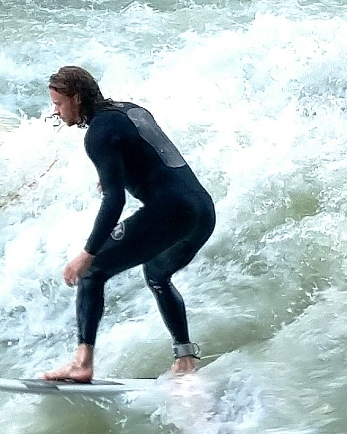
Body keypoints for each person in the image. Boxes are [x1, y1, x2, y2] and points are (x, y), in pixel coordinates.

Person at [41, 66, 216, 384]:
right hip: (202, 210)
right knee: (157, 274)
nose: (55, 111)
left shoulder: (98, 134)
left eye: (59, 104)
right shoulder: (129, 110)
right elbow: (152, 154)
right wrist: (112, 173)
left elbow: (115, 202)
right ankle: (185, 357)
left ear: (76, 99)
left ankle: (82, 363)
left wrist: (87, 253)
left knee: (93, 273)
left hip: (171, 212)